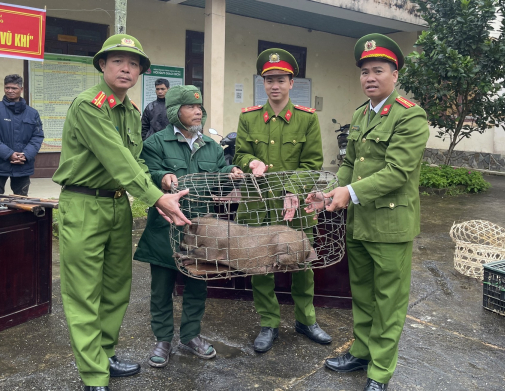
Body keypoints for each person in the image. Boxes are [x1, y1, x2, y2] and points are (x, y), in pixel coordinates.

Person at [52, 34, 191, 391]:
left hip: (117, 205)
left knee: (116, 289)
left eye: (134, 64)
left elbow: (136, 162)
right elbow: (116, 158)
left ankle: (105, 354)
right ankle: (93, 375)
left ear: (141, 72)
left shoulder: (130, 111)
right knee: (84, 293)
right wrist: (155, 198)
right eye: (117, 61)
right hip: (83, 204)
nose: (126, 68)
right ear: (102, 65)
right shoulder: (90, 105)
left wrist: (160, 189)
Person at [306, 34, 430, 391]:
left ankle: (379, 372)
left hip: (391, 225)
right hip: (359, 222)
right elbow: (350, 163)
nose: (370, 77)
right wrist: (331, 192)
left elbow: (398, 171)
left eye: (378, 70)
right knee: (361, 293)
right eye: (364, 72)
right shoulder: (361, 114)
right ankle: (360, 352)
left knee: (388, 301)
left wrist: (350, 191)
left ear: (395, 75)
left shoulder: (409, 116)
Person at [134, 85, 243, 368]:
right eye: (191, 107)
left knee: (197, 286)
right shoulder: (156, 143)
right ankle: (163, 339)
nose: (198, 112)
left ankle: (191, 335)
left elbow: (218, 176)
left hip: (201, 229)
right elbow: (145, 172)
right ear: (174, 112)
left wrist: (230, 173)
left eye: (200, 107)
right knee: (161, 289)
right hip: (165, 228)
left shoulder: (210, 146)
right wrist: (162, 177)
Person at [233, 48, 332, 353]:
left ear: (291, 82)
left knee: (302, 265)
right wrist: (252, 163)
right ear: (263, 84)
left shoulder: (306, 120)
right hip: (258, 206)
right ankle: (268, 323)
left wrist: (292, 188)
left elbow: (313, 164)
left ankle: (306, 320)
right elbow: (239, 153)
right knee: (260, 266)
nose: (274, 86)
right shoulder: (249, 118)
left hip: (295, 209)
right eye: (269, 80)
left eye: (280, 80)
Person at [0, 74, 43, 196]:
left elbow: (37, 137)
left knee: (21, 201)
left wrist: (26, 155)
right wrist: (9, 154)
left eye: (14, 88)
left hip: (22, 164)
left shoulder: (32, 113)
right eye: (7, 87)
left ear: (21, 89)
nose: (10, 91)